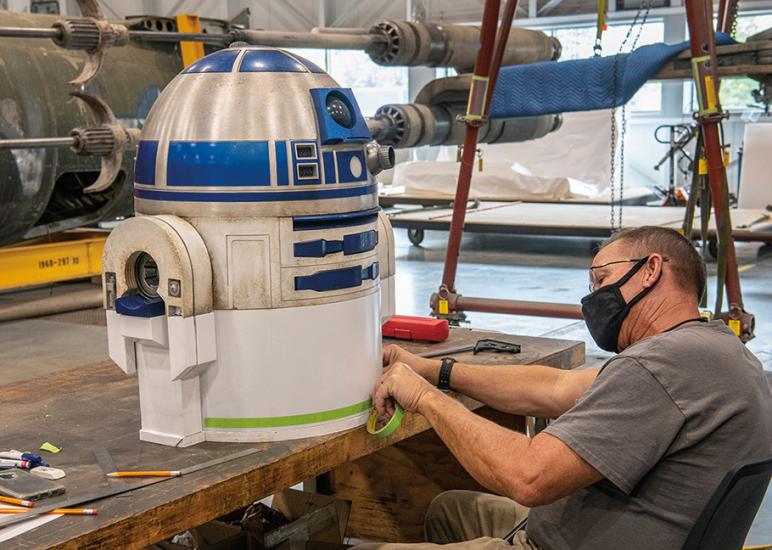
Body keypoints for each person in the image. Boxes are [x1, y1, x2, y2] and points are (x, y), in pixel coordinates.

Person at [359, 226, 772, 550]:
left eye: (602, 279)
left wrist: (423, 397)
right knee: (448, 509)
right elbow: (557, 387)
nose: (593, 298)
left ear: (651, 270)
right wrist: (437, 372)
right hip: (603, 533)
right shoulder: (710, 350)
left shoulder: (658, 368)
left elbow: (528, 477)